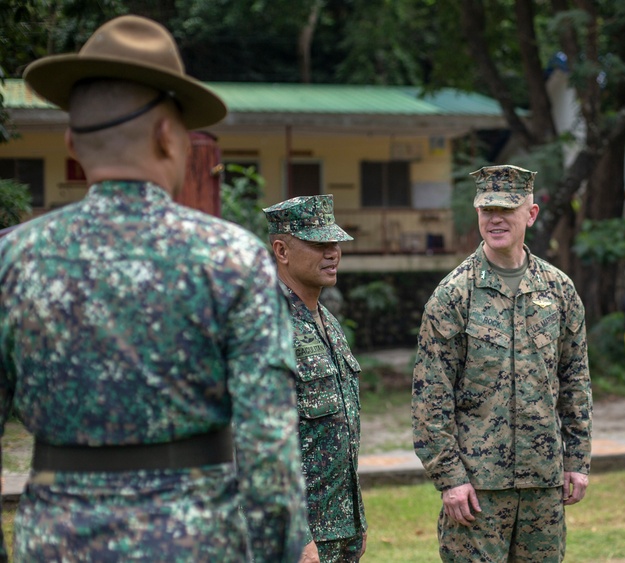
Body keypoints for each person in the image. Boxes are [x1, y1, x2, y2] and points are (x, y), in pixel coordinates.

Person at [0, 15, 308, 561]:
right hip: (195, 542)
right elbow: (268, 452)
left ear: (72, 143)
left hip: (55, 543)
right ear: (169, 136)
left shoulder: (13, 260)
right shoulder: (231, 260)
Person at [412, 165, 592, 562]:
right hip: (477, 489)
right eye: (485, 209)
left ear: (530, 213)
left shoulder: (559, 290)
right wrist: (450, 478)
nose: (495, 219)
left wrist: (577, 460)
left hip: (542, 485)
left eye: (506, 209)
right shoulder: (453, 296)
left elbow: (575, 380)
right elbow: (431, 398)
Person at [264, 195, 367, 562]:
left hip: (339, 528)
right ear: (282, 250)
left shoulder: (327, 321)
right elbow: (261, 445)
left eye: (334, 243)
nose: (332, 253)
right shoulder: (267, 327)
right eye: (319, 244)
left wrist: (355, 522)